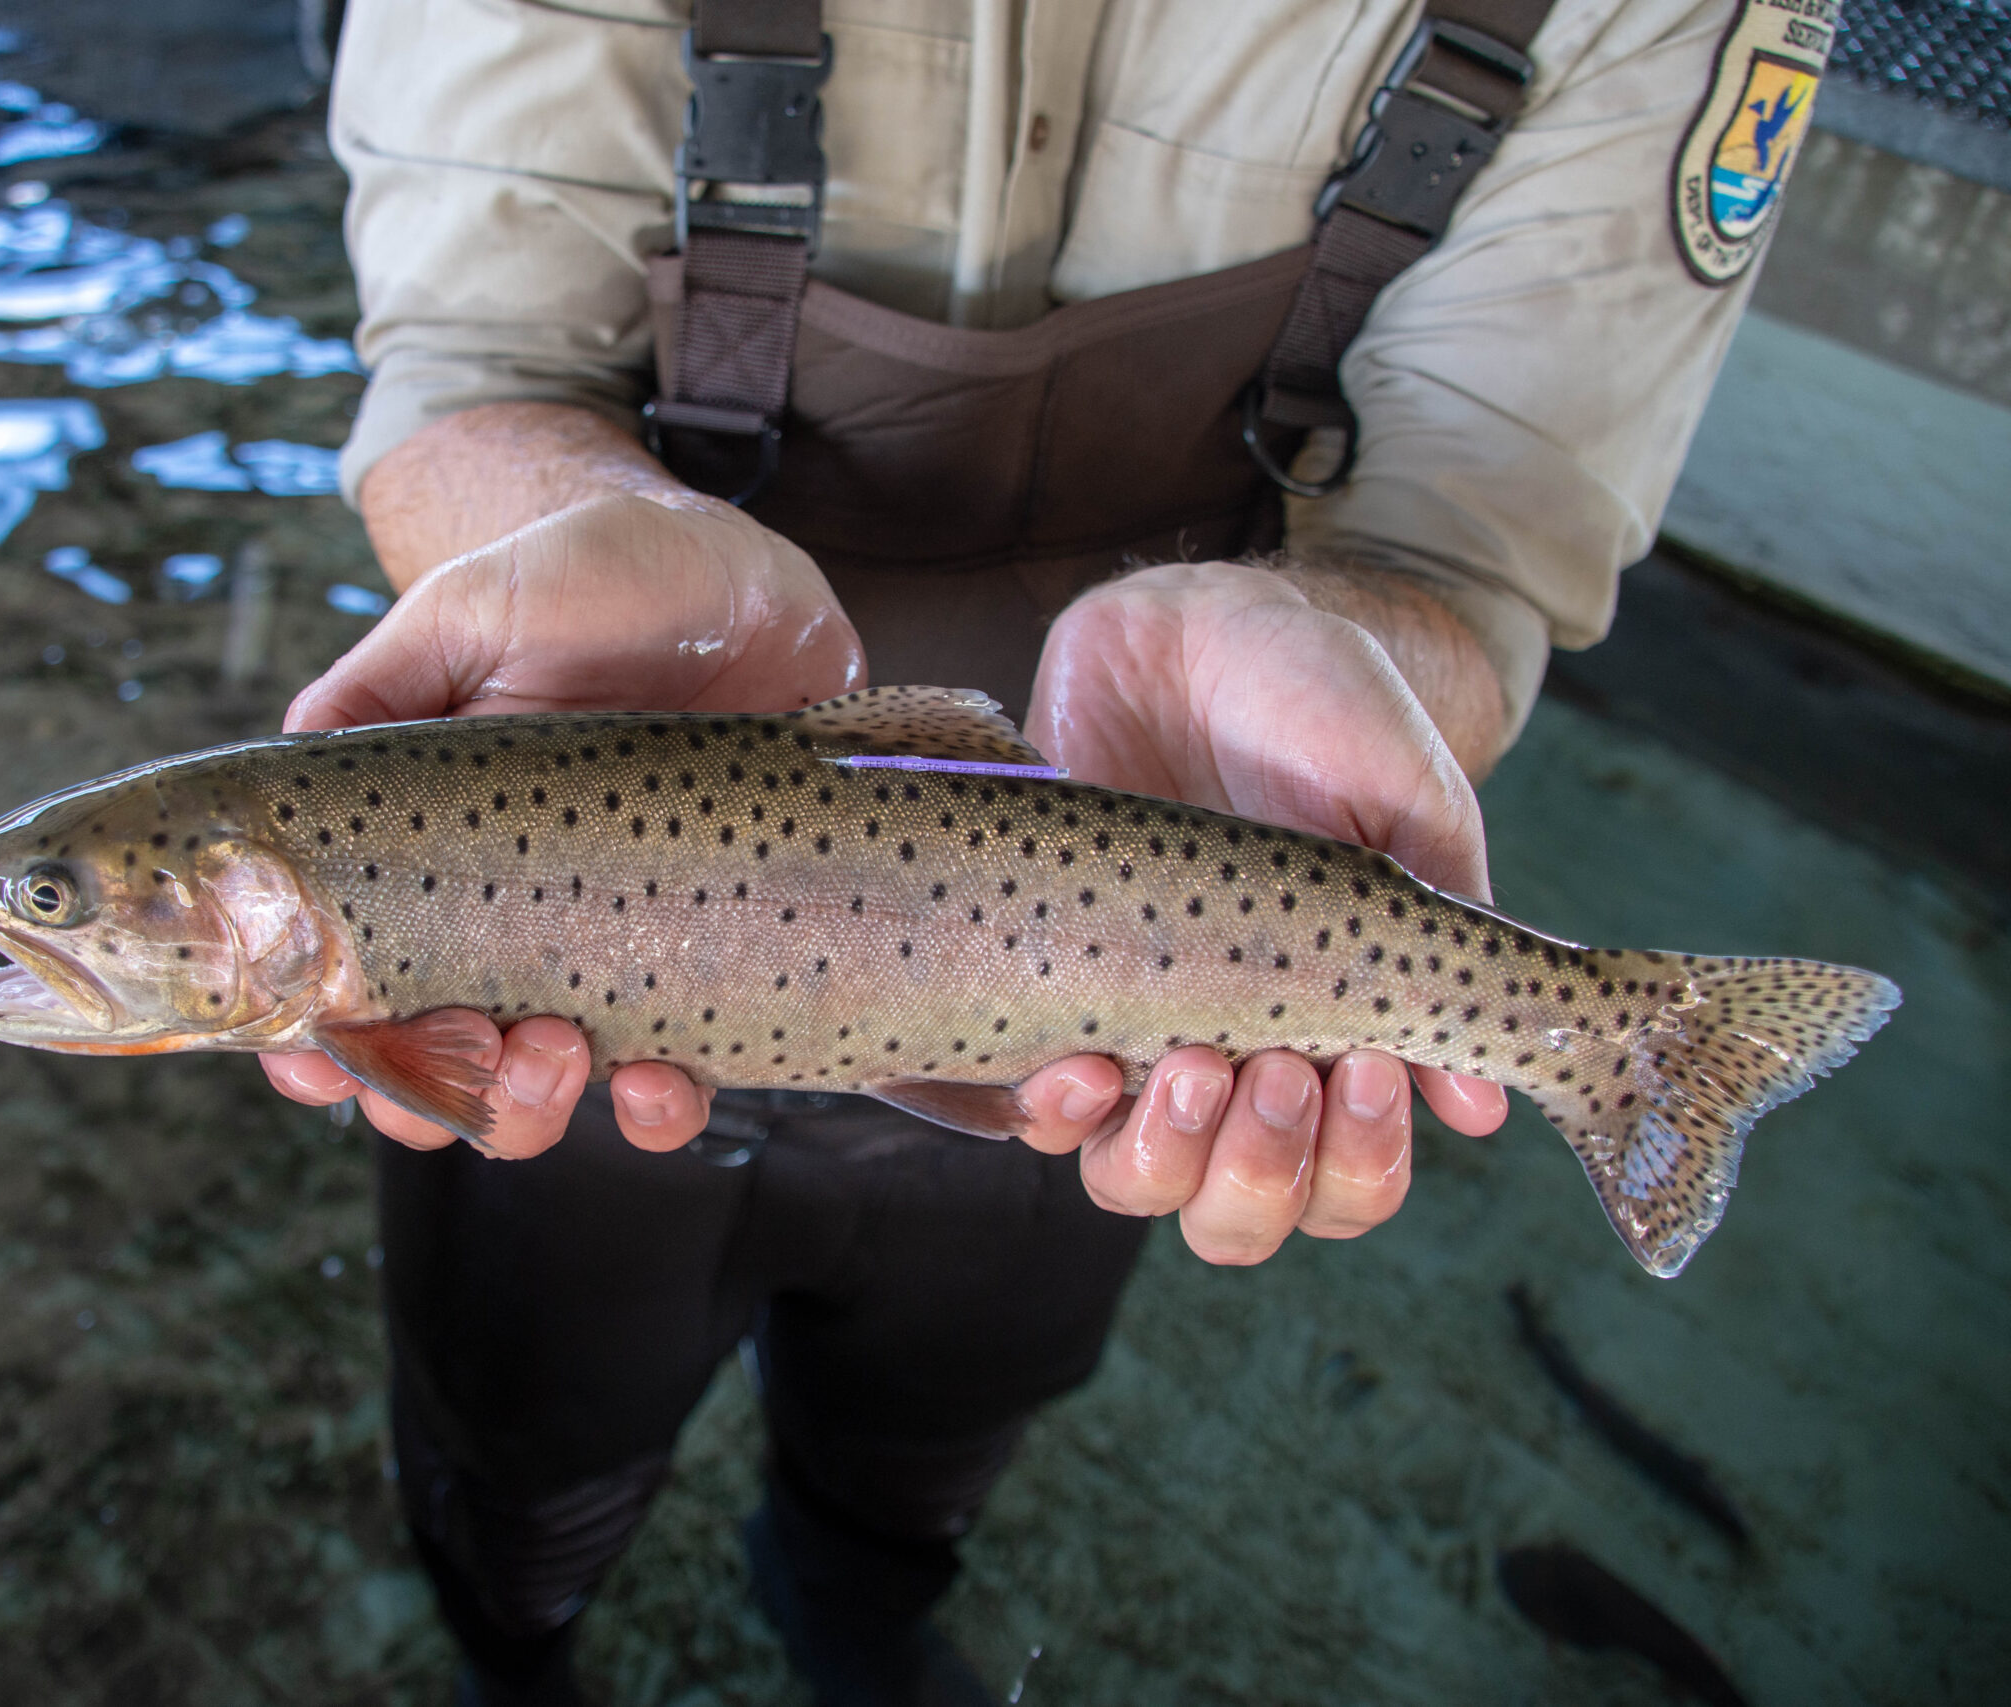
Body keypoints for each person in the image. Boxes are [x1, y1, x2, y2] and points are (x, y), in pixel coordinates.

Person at [261, 0, 1818, 1699]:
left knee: (935, 1432)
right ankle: (524, 1645)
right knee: (528, 1439)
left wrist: (1365, 651)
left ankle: (852, 1617)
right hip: (588, 893)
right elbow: (473, 375)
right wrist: (566, 530)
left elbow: (1475, 546)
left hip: (1146, 914)